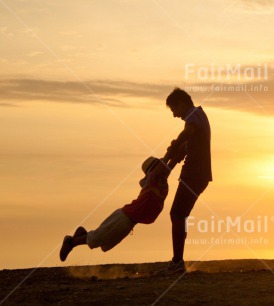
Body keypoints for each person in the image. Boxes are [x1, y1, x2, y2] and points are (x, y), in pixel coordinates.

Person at [59, 155, 178, 262]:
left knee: (105, 243)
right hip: (124, 217)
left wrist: (179, 154)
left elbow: (170, 165)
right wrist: (172, 151)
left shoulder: (161, 183)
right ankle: (70, 242)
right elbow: (165, 164)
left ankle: (81, 235)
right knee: (98, 238)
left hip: (129, 222)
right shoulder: (153, 179)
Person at [155, 87, 212, 274]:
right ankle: (178, 261)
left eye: (173, 110)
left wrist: (173, 147)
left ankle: (177, 263)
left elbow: (186, 134)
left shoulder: (194, 115)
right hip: (197, 174)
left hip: (195, 174)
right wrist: (165, 168)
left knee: (177, 214)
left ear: (181, 103)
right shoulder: (197, 119)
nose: (174, 115)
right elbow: (180, 155)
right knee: (181, 215)